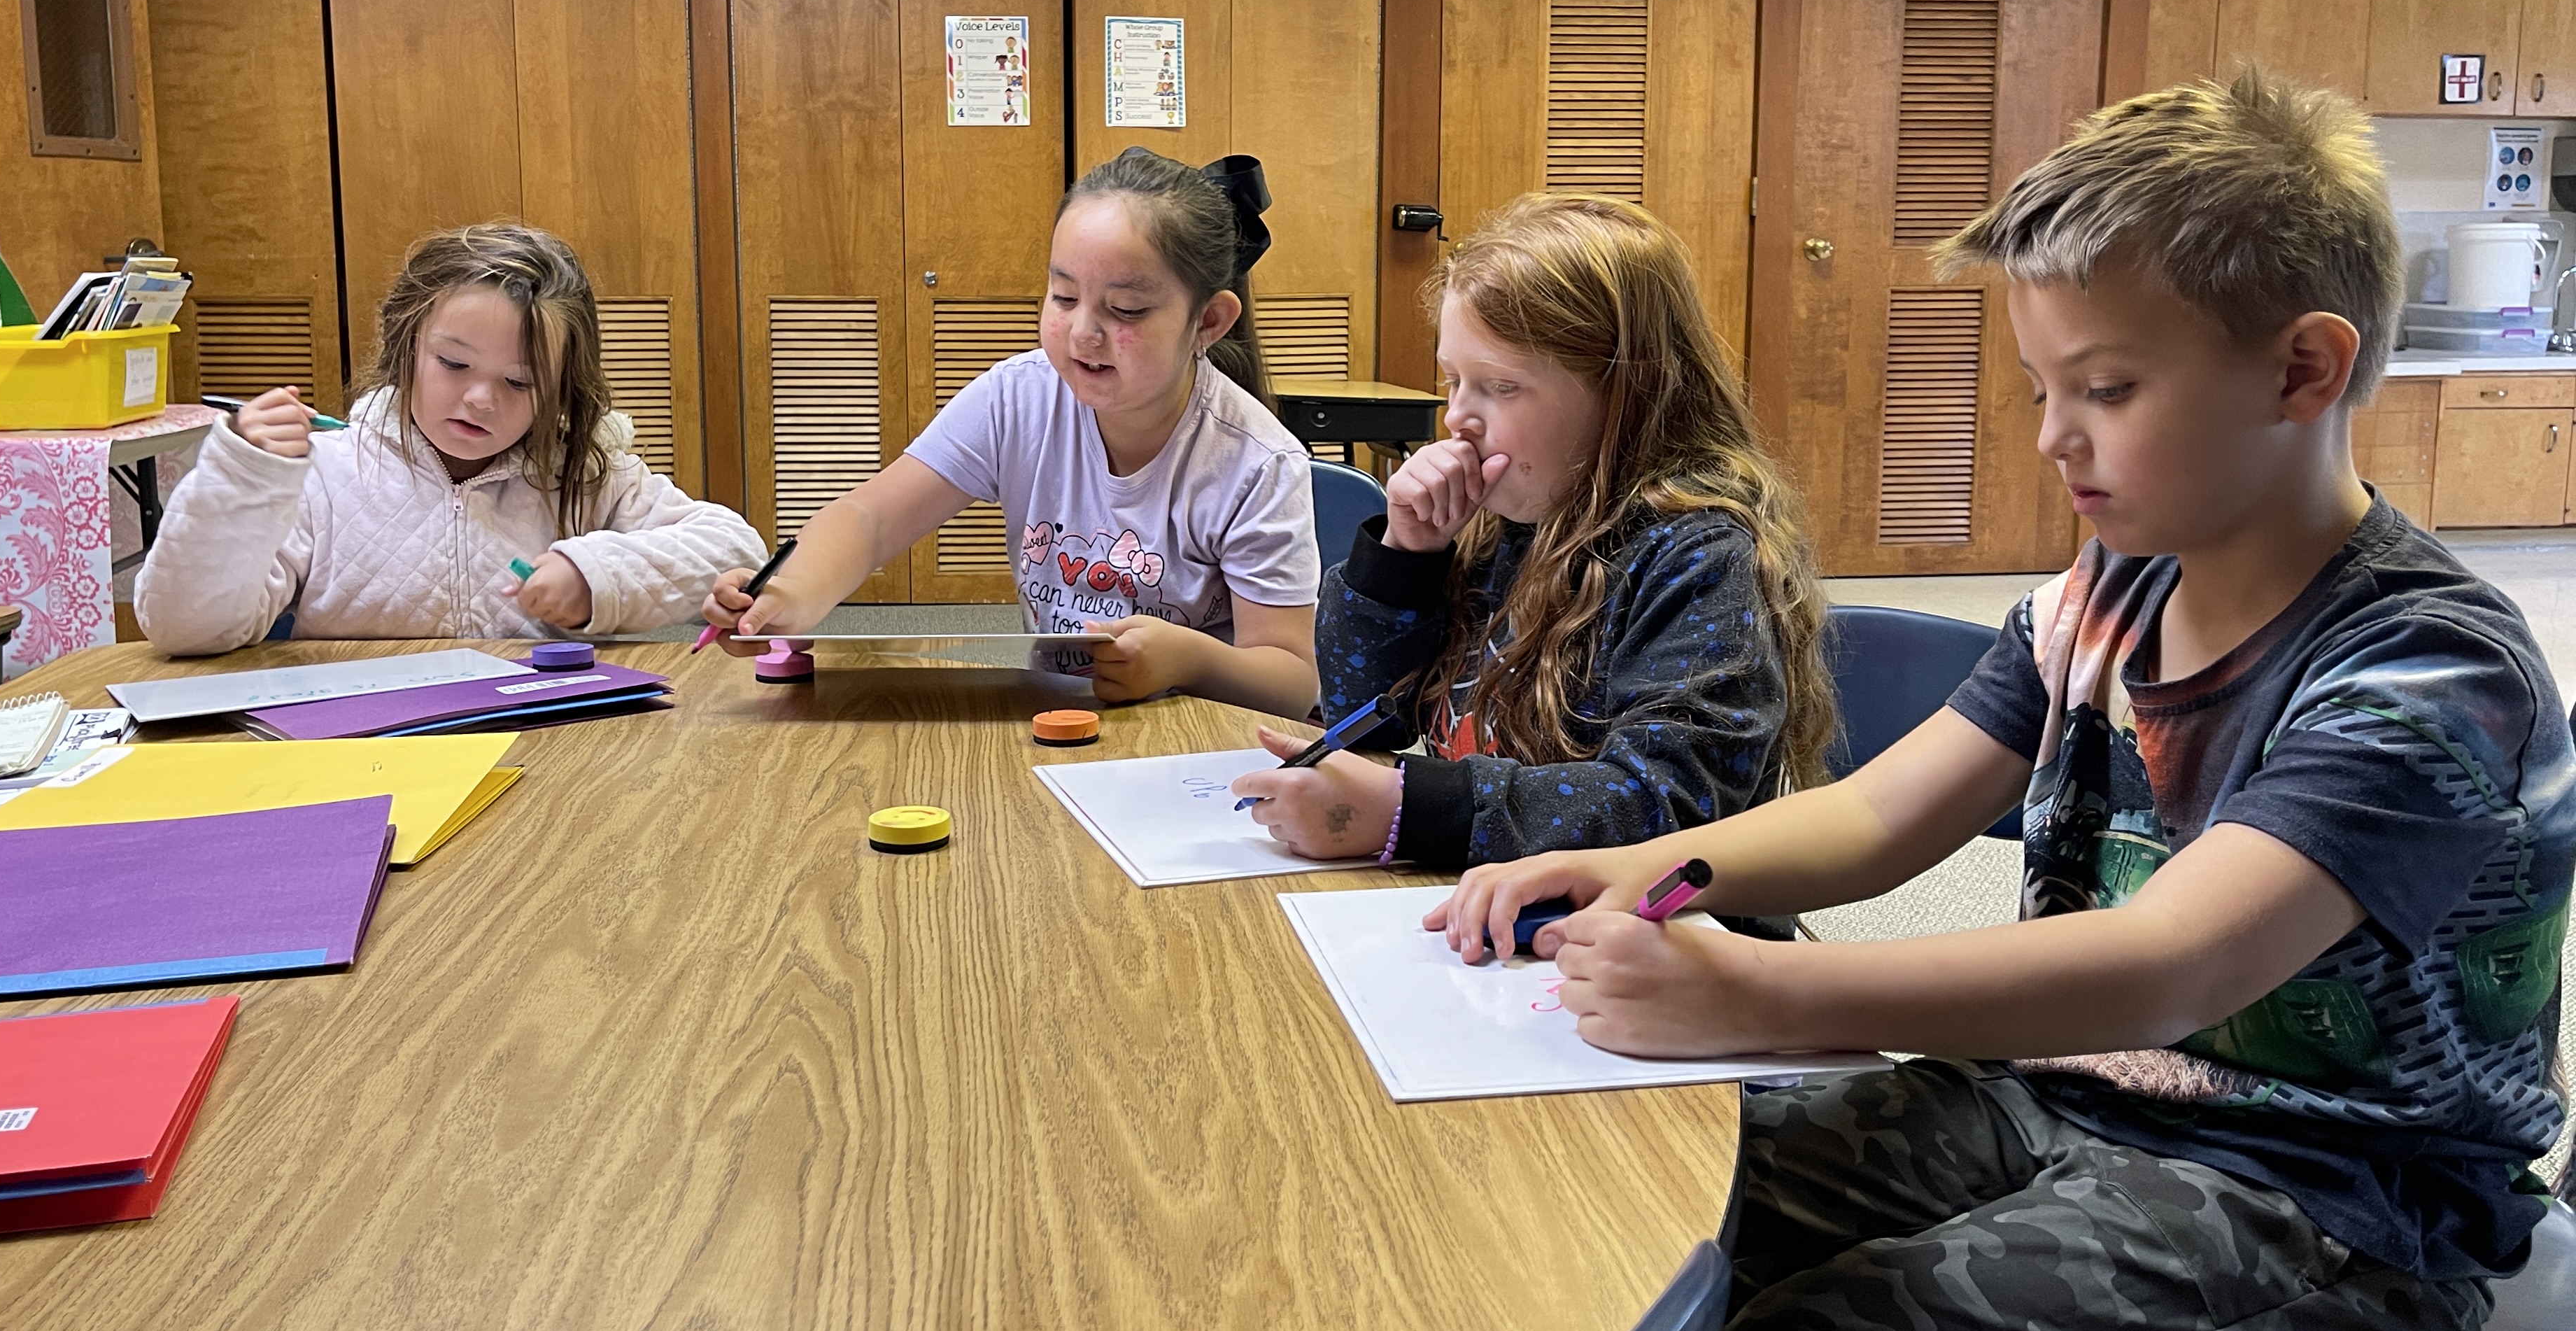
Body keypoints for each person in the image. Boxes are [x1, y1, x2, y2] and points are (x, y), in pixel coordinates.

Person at [1436, 70, 2575, 1331]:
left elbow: (2167, 968)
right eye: (2044, 388)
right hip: (2068, 1110)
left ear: (2304, 371)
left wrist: (1763, 998)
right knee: (1655, 1212)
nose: (2053, 438)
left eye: (2105, 390)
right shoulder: (2104, 592)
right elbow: (1875, 821)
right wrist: (1656, 870)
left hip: (2337, 1211)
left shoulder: (2427, 669)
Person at [1238, 194, 1829, 873]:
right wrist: (1404, 557)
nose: (1458, 418)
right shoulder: (1498, 527)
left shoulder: (1706, 559)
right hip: (1500, 900)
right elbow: (1361, 715)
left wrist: (1411, 808)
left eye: (1500, 387)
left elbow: (1670, 807)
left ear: (1625, 393)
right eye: (1453, 380)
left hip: (1666, 938)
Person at [708, 148, 1318, 715]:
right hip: (1052, 720)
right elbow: (870, 519)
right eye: (1063, 296)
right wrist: (788, 596)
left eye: (1125, 310)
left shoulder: (1256, 462)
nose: (1083, 332)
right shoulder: (1018, 396)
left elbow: (1292, 681)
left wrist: (1189, 659)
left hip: (1192, 739)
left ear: (1209, 320)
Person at [136, 223, 764, 654]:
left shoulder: (581, 470)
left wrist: (595, 574)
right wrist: (242, 481)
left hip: (546, 744)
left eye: (521, 382)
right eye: (454, 365)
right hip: (366, 745)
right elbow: (185, 629)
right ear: (406, 345)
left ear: (561, 390)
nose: (481, 399)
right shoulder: (325, 472)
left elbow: (736, 550)